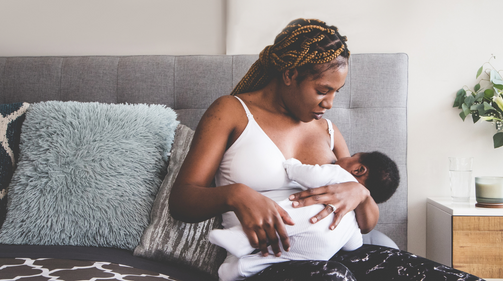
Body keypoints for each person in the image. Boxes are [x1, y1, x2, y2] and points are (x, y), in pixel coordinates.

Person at [169, 18, 484, 281]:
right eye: (323, 90)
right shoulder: (232, 111)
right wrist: (235, 195)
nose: (330, 103)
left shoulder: (328, 131)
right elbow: (181, 201)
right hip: (268, 262)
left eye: (336, 92)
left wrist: (360, 194)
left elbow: (366, 223)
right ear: (290, 75)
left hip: (337, 253)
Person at [209, 152, 400, 280]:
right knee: (278, 258)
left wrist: (293, 166)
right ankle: (237, 269)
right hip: (317, 253)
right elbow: (354, 244)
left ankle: (241, 238)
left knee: (297, 207)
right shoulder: (352, 214)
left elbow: (312, 176)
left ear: (358, 170)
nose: (342, 157)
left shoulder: (339, 175)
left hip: (301, 224)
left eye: (351, 156)